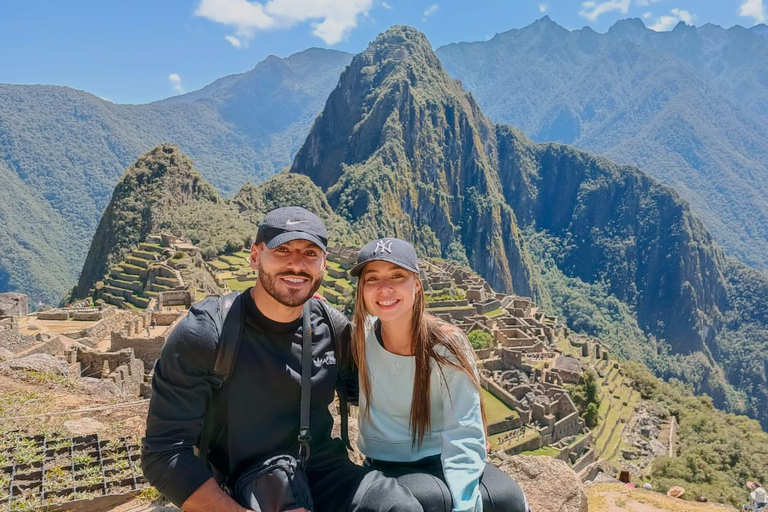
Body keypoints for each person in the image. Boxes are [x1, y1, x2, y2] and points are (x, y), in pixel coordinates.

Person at [141, 208, 422, 512]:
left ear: (323, 265)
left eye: (310, 254)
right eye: (282, 250)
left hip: (324, 472)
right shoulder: (207, 334)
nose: (297, 264)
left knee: (400, 507)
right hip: (242, 485)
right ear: (255, 256)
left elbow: (375, 392)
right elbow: (164, 452)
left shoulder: (331, 327)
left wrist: (425, 337)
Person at [349, 238, 529, 512]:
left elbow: (464, 432)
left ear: (417, 286)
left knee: (509, 499)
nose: (385, 288)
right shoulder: (360, 336)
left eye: (397, 276)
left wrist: (466, 505)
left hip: (443, 455)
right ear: (362, 290)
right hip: (385, 461)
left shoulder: (446, 346)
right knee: (430, 499)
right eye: (372, 278)